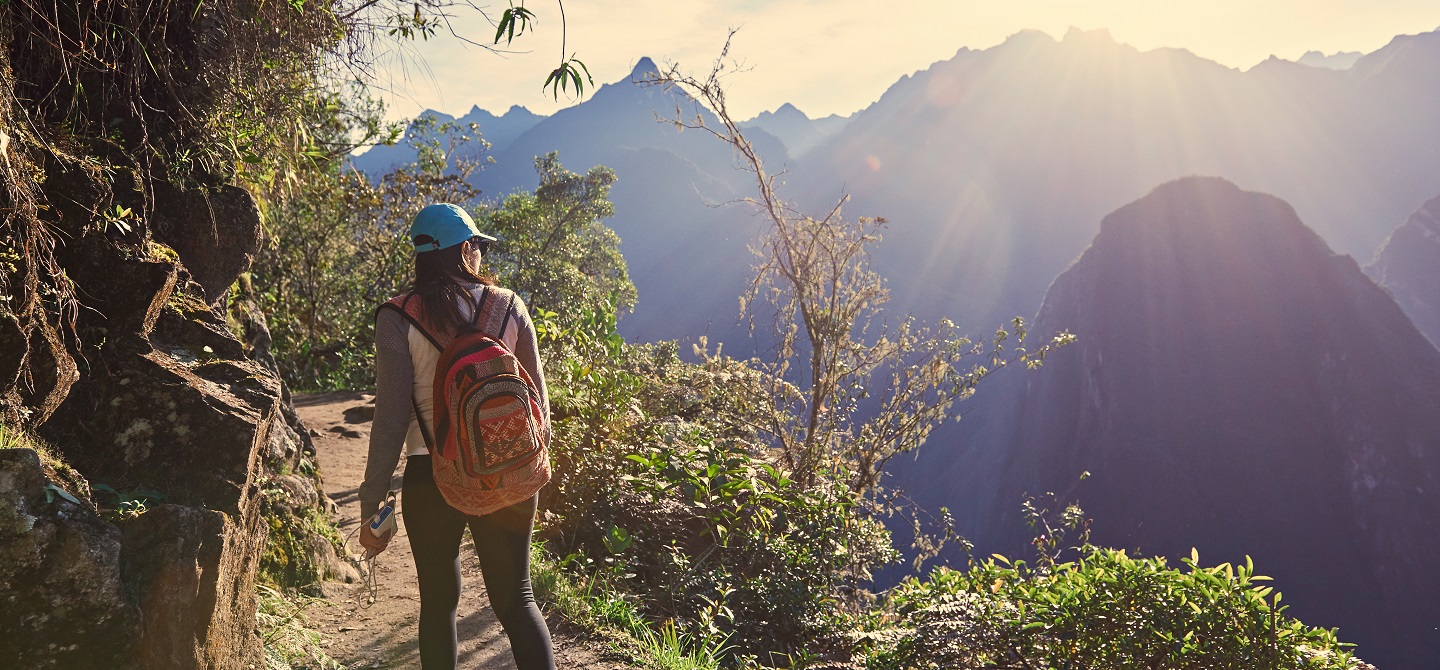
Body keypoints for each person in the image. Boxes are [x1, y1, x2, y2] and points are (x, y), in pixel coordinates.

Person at [358, 203, 555, 670]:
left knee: (439, 605)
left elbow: (390, 417)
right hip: (506, 467)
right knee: (518, 601)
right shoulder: (509, 305)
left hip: (430, 475)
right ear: (466, 250)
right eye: (478, 247)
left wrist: (372, 496)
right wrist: (529, 468)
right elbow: (538, 405)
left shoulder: (397, 317)